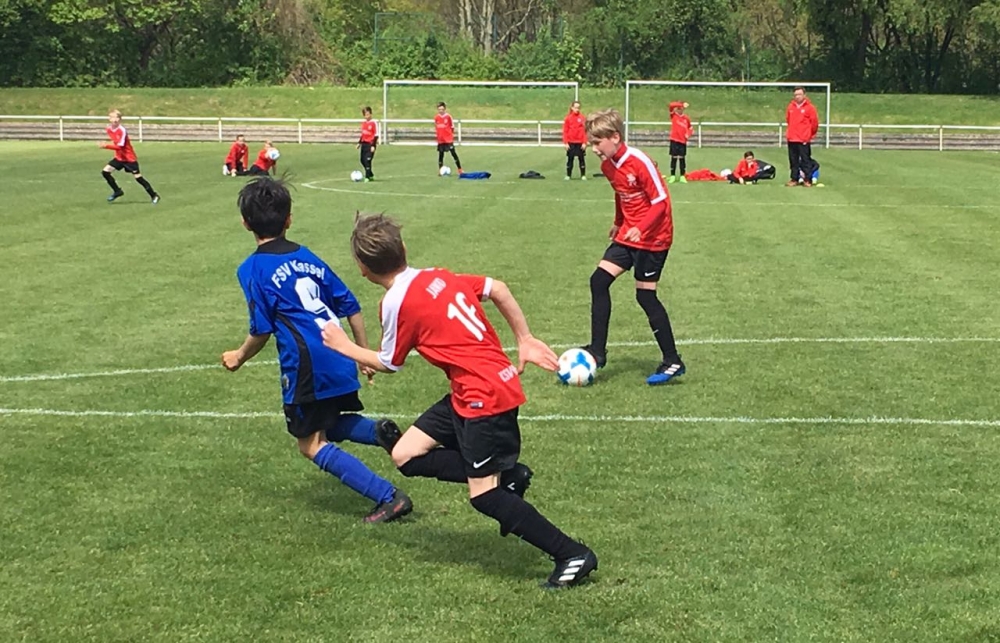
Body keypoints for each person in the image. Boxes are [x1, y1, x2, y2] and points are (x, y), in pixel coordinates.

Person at [321, 213, 598, 589]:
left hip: (484, 396)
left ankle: (571, 554)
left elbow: (389, 363)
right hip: (472, 390)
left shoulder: (395, 302)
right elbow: (498, 288)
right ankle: (509, 475)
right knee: (405, 455)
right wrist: (524, 337)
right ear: (403, 248)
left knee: (484, 496)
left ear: (362, 269)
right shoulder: (438, 276)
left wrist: (344, 346)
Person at [221, 177, 412, 524]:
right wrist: (361, 353)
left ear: (245, 223)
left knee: (309, 444)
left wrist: (238, 356)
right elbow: (350, 304)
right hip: (339, 353)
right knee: (329, 422)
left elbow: (261, 329)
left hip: (307, 364)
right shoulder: (307, 256)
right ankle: (376, 432)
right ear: (289, 219)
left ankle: (388, 497)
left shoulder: (251, 269)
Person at [581, 108, 685, 386]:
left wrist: (642, 227)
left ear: (615, 137)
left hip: (654, 237)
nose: (594, 149)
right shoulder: (608, 165)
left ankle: (673, 360)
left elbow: (660, 202)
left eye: (597, 142)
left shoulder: (639, 161)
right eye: (591, 143)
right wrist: (619, 222)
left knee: (645, 297)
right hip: (629, 235)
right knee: (598, 281)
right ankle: (597, 352)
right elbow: (620, 193)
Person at [100, 109, 160, 204]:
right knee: (105, 172)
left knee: (138, 178)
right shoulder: (109, 129)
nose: (115, 119)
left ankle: (154, 195)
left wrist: (106, 146)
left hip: (129, 158)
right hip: (119, 158)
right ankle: (117, 191)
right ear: (109, 119)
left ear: (120, 119)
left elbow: (120, 146)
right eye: (112, 117)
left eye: (117, 117)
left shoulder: (122, 130)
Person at [785, 87, 819, 187]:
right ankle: (794, 178)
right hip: (792, 138)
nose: (797, 97)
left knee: (805, 159)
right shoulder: (790, 107)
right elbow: (788, 120)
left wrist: (809, 134)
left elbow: (814, 123)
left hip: (803, 138)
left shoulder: (810, 108)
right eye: (795, 95)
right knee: (793, 160)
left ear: (804, 95)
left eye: (799, 94)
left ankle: (807, 179)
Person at [667, 101, 693, 184]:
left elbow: (690, 128)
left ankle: (682, 176)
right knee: (674, 158)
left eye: (681, 108)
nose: (679, 110)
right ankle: (673, 176)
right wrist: (681, 104)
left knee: (682, 158)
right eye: (678, 108)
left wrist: (688, 134)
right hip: (674, 140)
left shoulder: (686, 118)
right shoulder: (674, 116)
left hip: (682, 141)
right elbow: (671, 105)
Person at [434, 102, 462, 175]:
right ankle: (440, 171)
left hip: (448, 139)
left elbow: (452, 127)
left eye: (442, 109)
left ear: (445, 109)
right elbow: (437, 128)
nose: (441, 111)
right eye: (439, 109)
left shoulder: (448, 117)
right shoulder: (436, 117)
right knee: (441, 155)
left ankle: (460, 170)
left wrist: (449, 135)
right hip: (441, 140)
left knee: (453, 153)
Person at [562, 100, 587, 181]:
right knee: (570, 159)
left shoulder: (582, 118)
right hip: (571, 142)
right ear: (572, 108)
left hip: (580, 142)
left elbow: (585, 131)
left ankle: (583, 175)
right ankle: (568, 175)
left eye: (578, 108)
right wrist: (566, 143)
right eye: (575, 107)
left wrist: (584, 142)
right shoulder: (568, 118)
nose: (577, 109)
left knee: (581, 159)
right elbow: (565, 131)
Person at [357, 106, 379, 182]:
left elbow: (376, 135)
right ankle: (371, 174)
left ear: (371, 114)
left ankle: (367, 177)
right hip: (364, 144)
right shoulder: (363, 123)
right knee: (362, 160)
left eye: (368, 114)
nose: (367, 116)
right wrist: (359, 143)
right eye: (366, 115)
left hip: (370, 144)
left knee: (368, 160)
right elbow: (363, 134)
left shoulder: (374, 123)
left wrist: (373, 145)